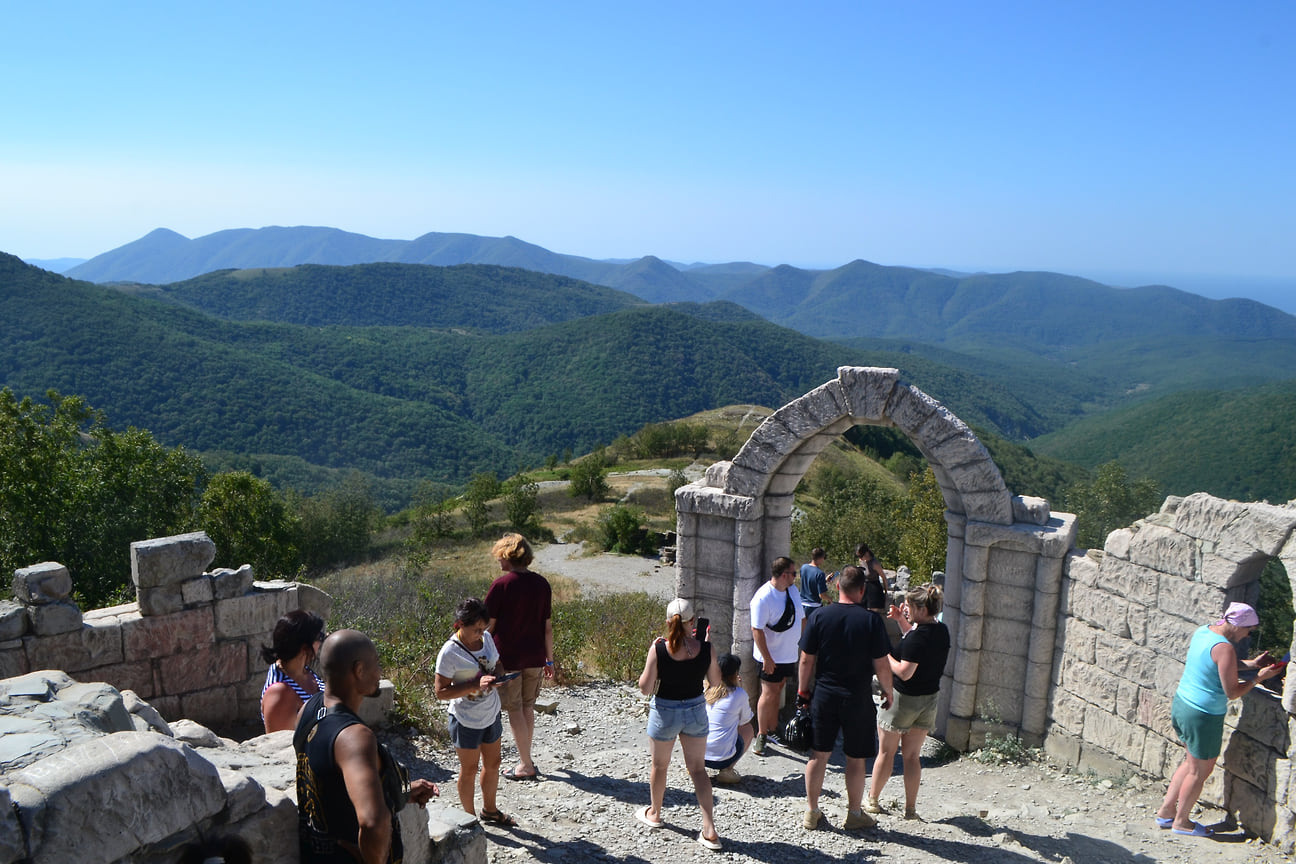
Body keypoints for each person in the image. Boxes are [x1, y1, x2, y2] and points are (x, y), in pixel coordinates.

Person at [294, 630, 439, 864]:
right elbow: (373, 822)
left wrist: (398, 792)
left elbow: (330, 784)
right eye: (376, 664)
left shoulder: (307, 711)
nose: (380, 673)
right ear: (358, 670)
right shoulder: (354, 737)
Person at [1155, 602, 1282, 837]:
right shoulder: (1225, 648)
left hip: (1183, 704)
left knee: (1190, 764)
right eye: (1248, 629)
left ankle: (1165, 813)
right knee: (1200, 771)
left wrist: (1252, 665)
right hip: (1203, 715)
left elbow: (1218, 665)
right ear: (1238, 625)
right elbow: (1232, 691)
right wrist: (1258, 678)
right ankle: (1182, 822)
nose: (1248, 634)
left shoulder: (1204, 631)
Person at [798, 564, 893, 831]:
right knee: (856, 758)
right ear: (862, 591)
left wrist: (803, 692)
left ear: (837, 587)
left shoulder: (819, 617)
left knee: (818, 755)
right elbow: (882, 664)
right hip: (857, 697)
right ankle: (853, 813)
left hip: (825, 694)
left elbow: (806, 660)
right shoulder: (871, 621)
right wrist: (888, 692)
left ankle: (812, 811)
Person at [636, 597, 724, 852]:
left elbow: (644, 688)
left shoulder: (659, 649)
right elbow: (716, 682)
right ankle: (709, 829)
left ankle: (655, 813)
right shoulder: (706, 649)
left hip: (665, 711)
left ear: (668, 622)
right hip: (695, 710)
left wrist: (653, 653)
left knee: (659, 766)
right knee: (697, 770)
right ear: (693, 622)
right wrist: (707, 649)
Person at [866, 583, 951, 819]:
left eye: (911, 607)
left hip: (902, 700)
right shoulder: (941, 631)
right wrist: (901, 622)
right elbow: (914, 641)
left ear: (922, 609)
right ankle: (910, 809)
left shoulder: (918, 638)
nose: (907, 611)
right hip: (928, 700)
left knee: (886, 753)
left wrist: (884, 655)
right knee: (912, 757)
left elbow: (905, 671)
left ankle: (872, 800)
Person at [435, 598, 515, 827]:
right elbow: (441, 692)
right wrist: (474, 685)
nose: (481, 634)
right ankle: (469, 818)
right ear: (460, 624)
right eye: (476, 629)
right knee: (469, 769)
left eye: (484, 628)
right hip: (465, 719)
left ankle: (490, 811)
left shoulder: (487, 638)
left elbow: (496, 663)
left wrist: (499, 677)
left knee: (493, 763)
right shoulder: (449, 652)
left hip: (490, 712)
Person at [485, 533, 554, 781]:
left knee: (514, 708)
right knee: (527, 707)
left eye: (500, 555)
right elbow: (547, 627)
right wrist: (550, 659)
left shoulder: (501, 586)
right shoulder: (542, 584)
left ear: (508, 555)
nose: (498, 560)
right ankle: (526, 758)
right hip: (535, 656)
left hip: (509, 658)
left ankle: (525, 764)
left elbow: (487, 627)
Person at [750, 556, 805, 755]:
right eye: (793, 573)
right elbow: (756, 630)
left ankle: (773, 728)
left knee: (779, 689)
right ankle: (762, 735)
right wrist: (767, 658)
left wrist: (801, 643)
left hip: (788, 654)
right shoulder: (763, 597)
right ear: (784, 575)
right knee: (768, 693)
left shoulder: (792, 591)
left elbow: (801, 618)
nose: (795, 577)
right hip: (771, 656)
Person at [260, 610, 326, 734]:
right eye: (319, 637)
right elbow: (281, 746)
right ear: (304, 648)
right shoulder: (280, 695)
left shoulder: (302, 670)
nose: (321, 642)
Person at [704, 652, 755, 784]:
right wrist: (739, 688)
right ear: (735, 674)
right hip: (721, 759)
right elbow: (744, 721)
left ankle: (695, 768)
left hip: (698, 756)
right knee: (748, 729)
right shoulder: (739, 694)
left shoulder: (706, 690)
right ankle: (727, 769)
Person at [799, 548, 832, 618]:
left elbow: (808, 582)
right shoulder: (820, 573)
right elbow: (822, 595)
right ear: (820, 558)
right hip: (813, 607)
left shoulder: (803, 567)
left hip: (801, 605)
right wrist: (830, 599)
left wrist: (824, 581)